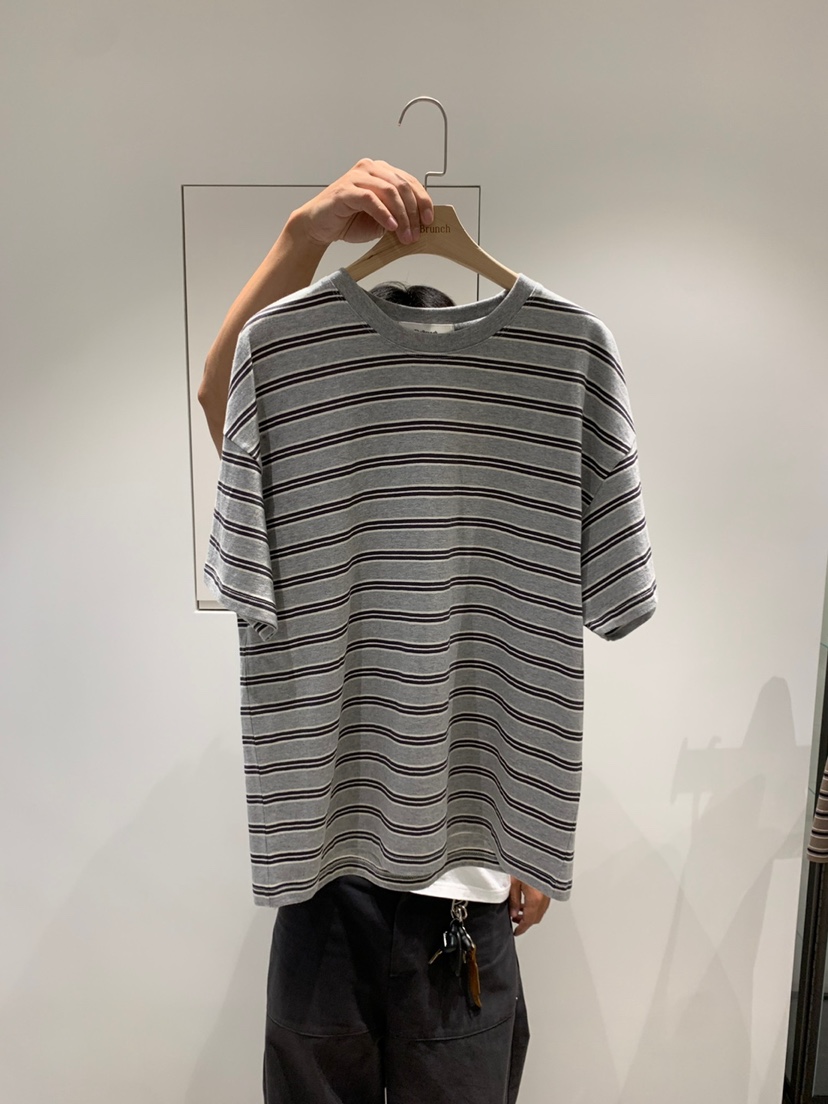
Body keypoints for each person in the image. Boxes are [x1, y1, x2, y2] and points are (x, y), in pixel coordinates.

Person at [198, 158, 551, 1103]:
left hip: (464, 888)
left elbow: (542, 640)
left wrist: (526, 830)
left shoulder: (525, 421)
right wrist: (302, 235)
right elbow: (222, 390)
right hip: (329, 877)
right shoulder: (302, 430)